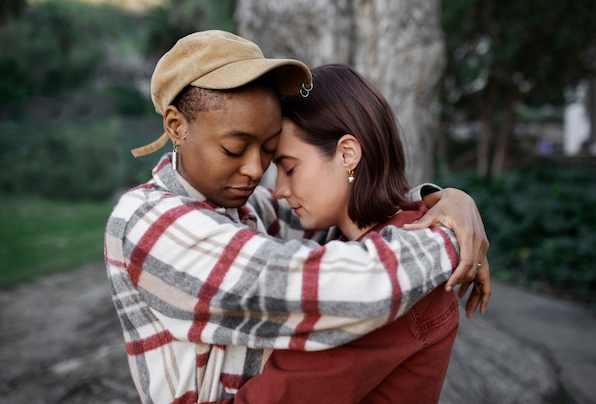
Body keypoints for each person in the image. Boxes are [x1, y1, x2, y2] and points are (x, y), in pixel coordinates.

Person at [104, 30, 491, 404]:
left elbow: (354, 212)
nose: (257, 171)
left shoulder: (243, 207)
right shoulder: (151, 221)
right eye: (234, 148)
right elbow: (346, 286)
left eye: (270, 151)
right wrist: (451, 238)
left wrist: (445, 201)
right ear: (177, 126)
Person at [233, 64, 487, 404]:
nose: (279, 189)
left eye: (289, 168)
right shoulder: (372, 243)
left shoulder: (391, 275)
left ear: (347, 154)